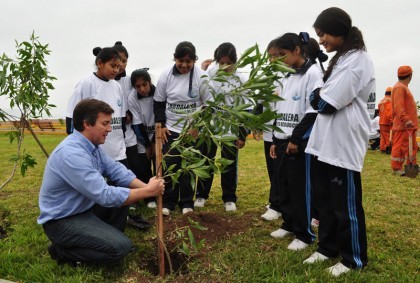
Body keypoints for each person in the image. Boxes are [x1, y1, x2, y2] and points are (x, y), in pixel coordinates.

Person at [38, 99, 164, 266]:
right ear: (87, 124)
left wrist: (146, 187)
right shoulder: (71, 155)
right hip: (62, 221)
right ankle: (62, 251)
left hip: (83, 209)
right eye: (105, 123)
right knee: (121, 247)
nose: (109, 129)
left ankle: (105, 241)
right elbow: (105, 195)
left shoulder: (93, 147)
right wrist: (149, 192)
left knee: (123, 192)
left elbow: (117, 171)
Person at [304, 7, 374, 276]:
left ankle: (352, 258)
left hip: (343, 144)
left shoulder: (357, 61)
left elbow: (325, 102)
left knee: (346, 207)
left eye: (323, 34)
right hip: (325, 143)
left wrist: (320, 94)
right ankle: (327, 248)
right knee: (325, 202)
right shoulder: (341, 59)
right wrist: (320, 94)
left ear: (338, 30)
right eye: (319, 35)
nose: (321, 40)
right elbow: (319, 97)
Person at [263, 33, 322, 252]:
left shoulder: (312, 73)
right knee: (283, 184)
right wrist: (275, 138)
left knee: (300, 188)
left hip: (299, 141)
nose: (277, 60)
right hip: (280, 138)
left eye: (281, 55)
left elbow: (313, 109)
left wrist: (296, 138)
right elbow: (280, 108)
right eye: (274, 56)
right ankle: (288, 223)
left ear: (297, 51)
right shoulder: (284, 75)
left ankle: (304, 234)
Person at [153, 41, 213, 215]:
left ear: (195, 60)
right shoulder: (165, 76)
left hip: (192, 131)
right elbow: (158, 103)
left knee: (188, 167)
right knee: (171, 165)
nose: (184, 65)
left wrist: (197, 127)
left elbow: (208, 107)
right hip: (171, 129)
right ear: (175, 58)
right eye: (181, 60)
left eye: (189, 61)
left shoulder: (202, 77)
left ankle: (187, 202)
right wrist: (162, 125)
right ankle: (169, 203)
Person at [194, 42, 248, 212]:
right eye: (221, 63)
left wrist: (241, 134)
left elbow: (244, 109)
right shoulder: (211, 72)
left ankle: (229, 198)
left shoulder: (242, 79)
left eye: (228, 63)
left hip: (231, 126)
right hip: (211, 125)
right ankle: (201, 195)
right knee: (206, 159)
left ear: (235, 61)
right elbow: (203, 97)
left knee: (229, 163)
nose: (224, 66)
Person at [113, 41, 151, 229]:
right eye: (118, 60)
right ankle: (124, 202)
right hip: (111, 135)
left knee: (136, 167)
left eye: (124, 60)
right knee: (117, 170)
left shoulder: (130, 82)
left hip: (129, 134)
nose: (121, 64)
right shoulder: (105, 81)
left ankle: (140, 198)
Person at [129, 68, 157, 208]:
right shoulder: (132, 98)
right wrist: (147, 145)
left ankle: (160, 195)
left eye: (144, 85)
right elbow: (137, 124)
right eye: (138, 86)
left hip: (158, 135)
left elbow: (161, 118)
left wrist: (153, 143)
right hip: (142, 137)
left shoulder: (159, 93)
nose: (142, 89)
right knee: (144, 167)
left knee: (159, 165)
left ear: (150, 82)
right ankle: (149, 197)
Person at [390, 66, 418, 175]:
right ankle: (396, 168)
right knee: (400, 148)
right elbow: (398, 107)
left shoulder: (402, 87)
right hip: (404, 125)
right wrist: (406, 120)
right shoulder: (399, 87)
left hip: (408, 126)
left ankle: (412, 166)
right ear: (410, 75)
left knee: (411, 148)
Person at [378, 87, 393, 153]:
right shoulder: (390, 101)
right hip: (387, 122)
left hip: (381, 121)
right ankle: (388, 148)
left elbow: (379, 111)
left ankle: (382, 148)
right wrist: (391, 120)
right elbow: (389, 112)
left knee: (383, 136)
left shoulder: (381, 101)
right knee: (388, 136)